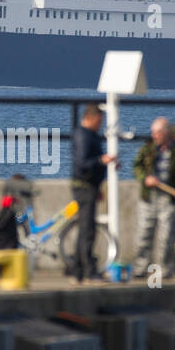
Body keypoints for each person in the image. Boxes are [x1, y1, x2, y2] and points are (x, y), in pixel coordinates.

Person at [132, 116, 175, 278]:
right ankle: (140, 269)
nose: (155, 135)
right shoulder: (148, 149)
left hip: (169, 199)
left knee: (166, 238)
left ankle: (164, 272)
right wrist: (145, 178)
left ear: (167, 133)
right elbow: (137, 166)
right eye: (153, 132)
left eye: (158, 132)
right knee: (143, 235)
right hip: (149, 198)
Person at [70, 103, 116, 283]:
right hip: (84, 187)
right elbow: (83, 164)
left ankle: (78, 271)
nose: (100, 125)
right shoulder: (83, 135)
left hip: (90, 187)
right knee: (87, 231)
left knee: (85, 229)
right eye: (98, 122)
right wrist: (101, 160)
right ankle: (88, 271)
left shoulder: (90, 135)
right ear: (89, 118)